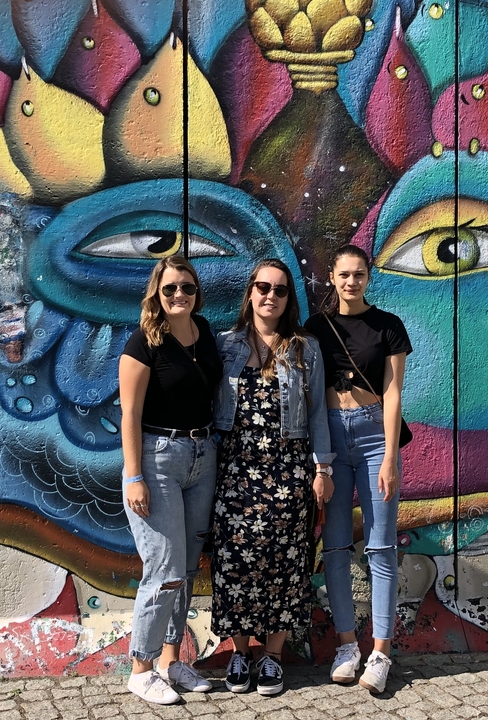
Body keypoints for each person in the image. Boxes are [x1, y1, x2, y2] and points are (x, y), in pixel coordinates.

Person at [211, 259, 334, 696]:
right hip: (235, 471)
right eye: (263, 286)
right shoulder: (225, 345)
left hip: (289, 471)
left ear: (288, 299)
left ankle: (273, 657)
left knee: (285, 564)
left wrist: (323, 469)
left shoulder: (305, 348)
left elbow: (318, 412)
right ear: (250, 292)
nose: (270, 295)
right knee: (235, 563)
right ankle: (241, 652)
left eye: (280, 290)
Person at [305, 244, 412, 695]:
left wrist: (389, 456)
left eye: (359, 275)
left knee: (381, 548)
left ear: (369, 277)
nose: (351, 282)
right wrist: (318, 459)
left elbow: (392, 394)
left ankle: (381, 652)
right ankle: (347, 645)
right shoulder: (314, 328)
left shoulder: (388, 326)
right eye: (344, 274)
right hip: (330, 436)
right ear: (332, 277)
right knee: (333, 549)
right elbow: (310, 397)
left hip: (372, 437)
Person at [119, 256, 223, 705]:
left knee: (183, 569)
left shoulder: (205, 332)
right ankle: (140, 668)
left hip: (203, 457)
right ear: (156, 295)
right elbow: (130, 415)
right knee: (161, 569)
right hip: (159, 460)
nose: (179, 295)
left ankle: (170, 660)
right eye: (170, 289)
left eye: (187, 288)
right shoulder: (143, 342)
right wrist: (134, 475)